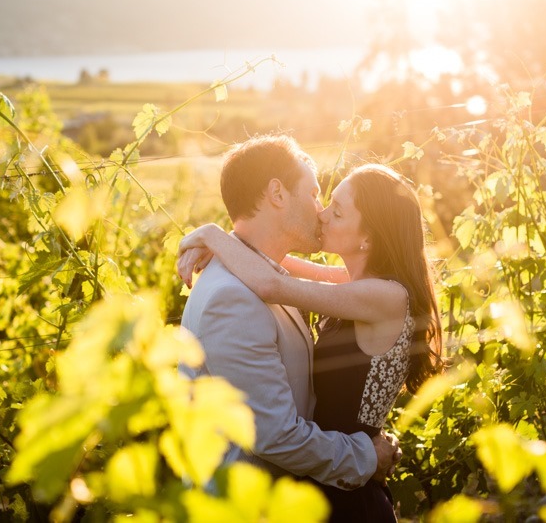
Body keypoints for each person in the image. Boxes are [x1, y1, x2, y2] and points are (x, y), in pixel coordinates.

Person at [178, 159, 445, 521]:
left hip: (348, 488)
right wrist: (229, 247)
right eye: (322, 200)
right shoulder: (358, 283)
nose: (321, 214)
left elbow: (274, 283)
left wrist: (212, 235)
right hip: (331, 476)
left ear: (369, 235)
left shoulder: (384, 295)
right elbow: (276, 264)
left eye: (337, 211)